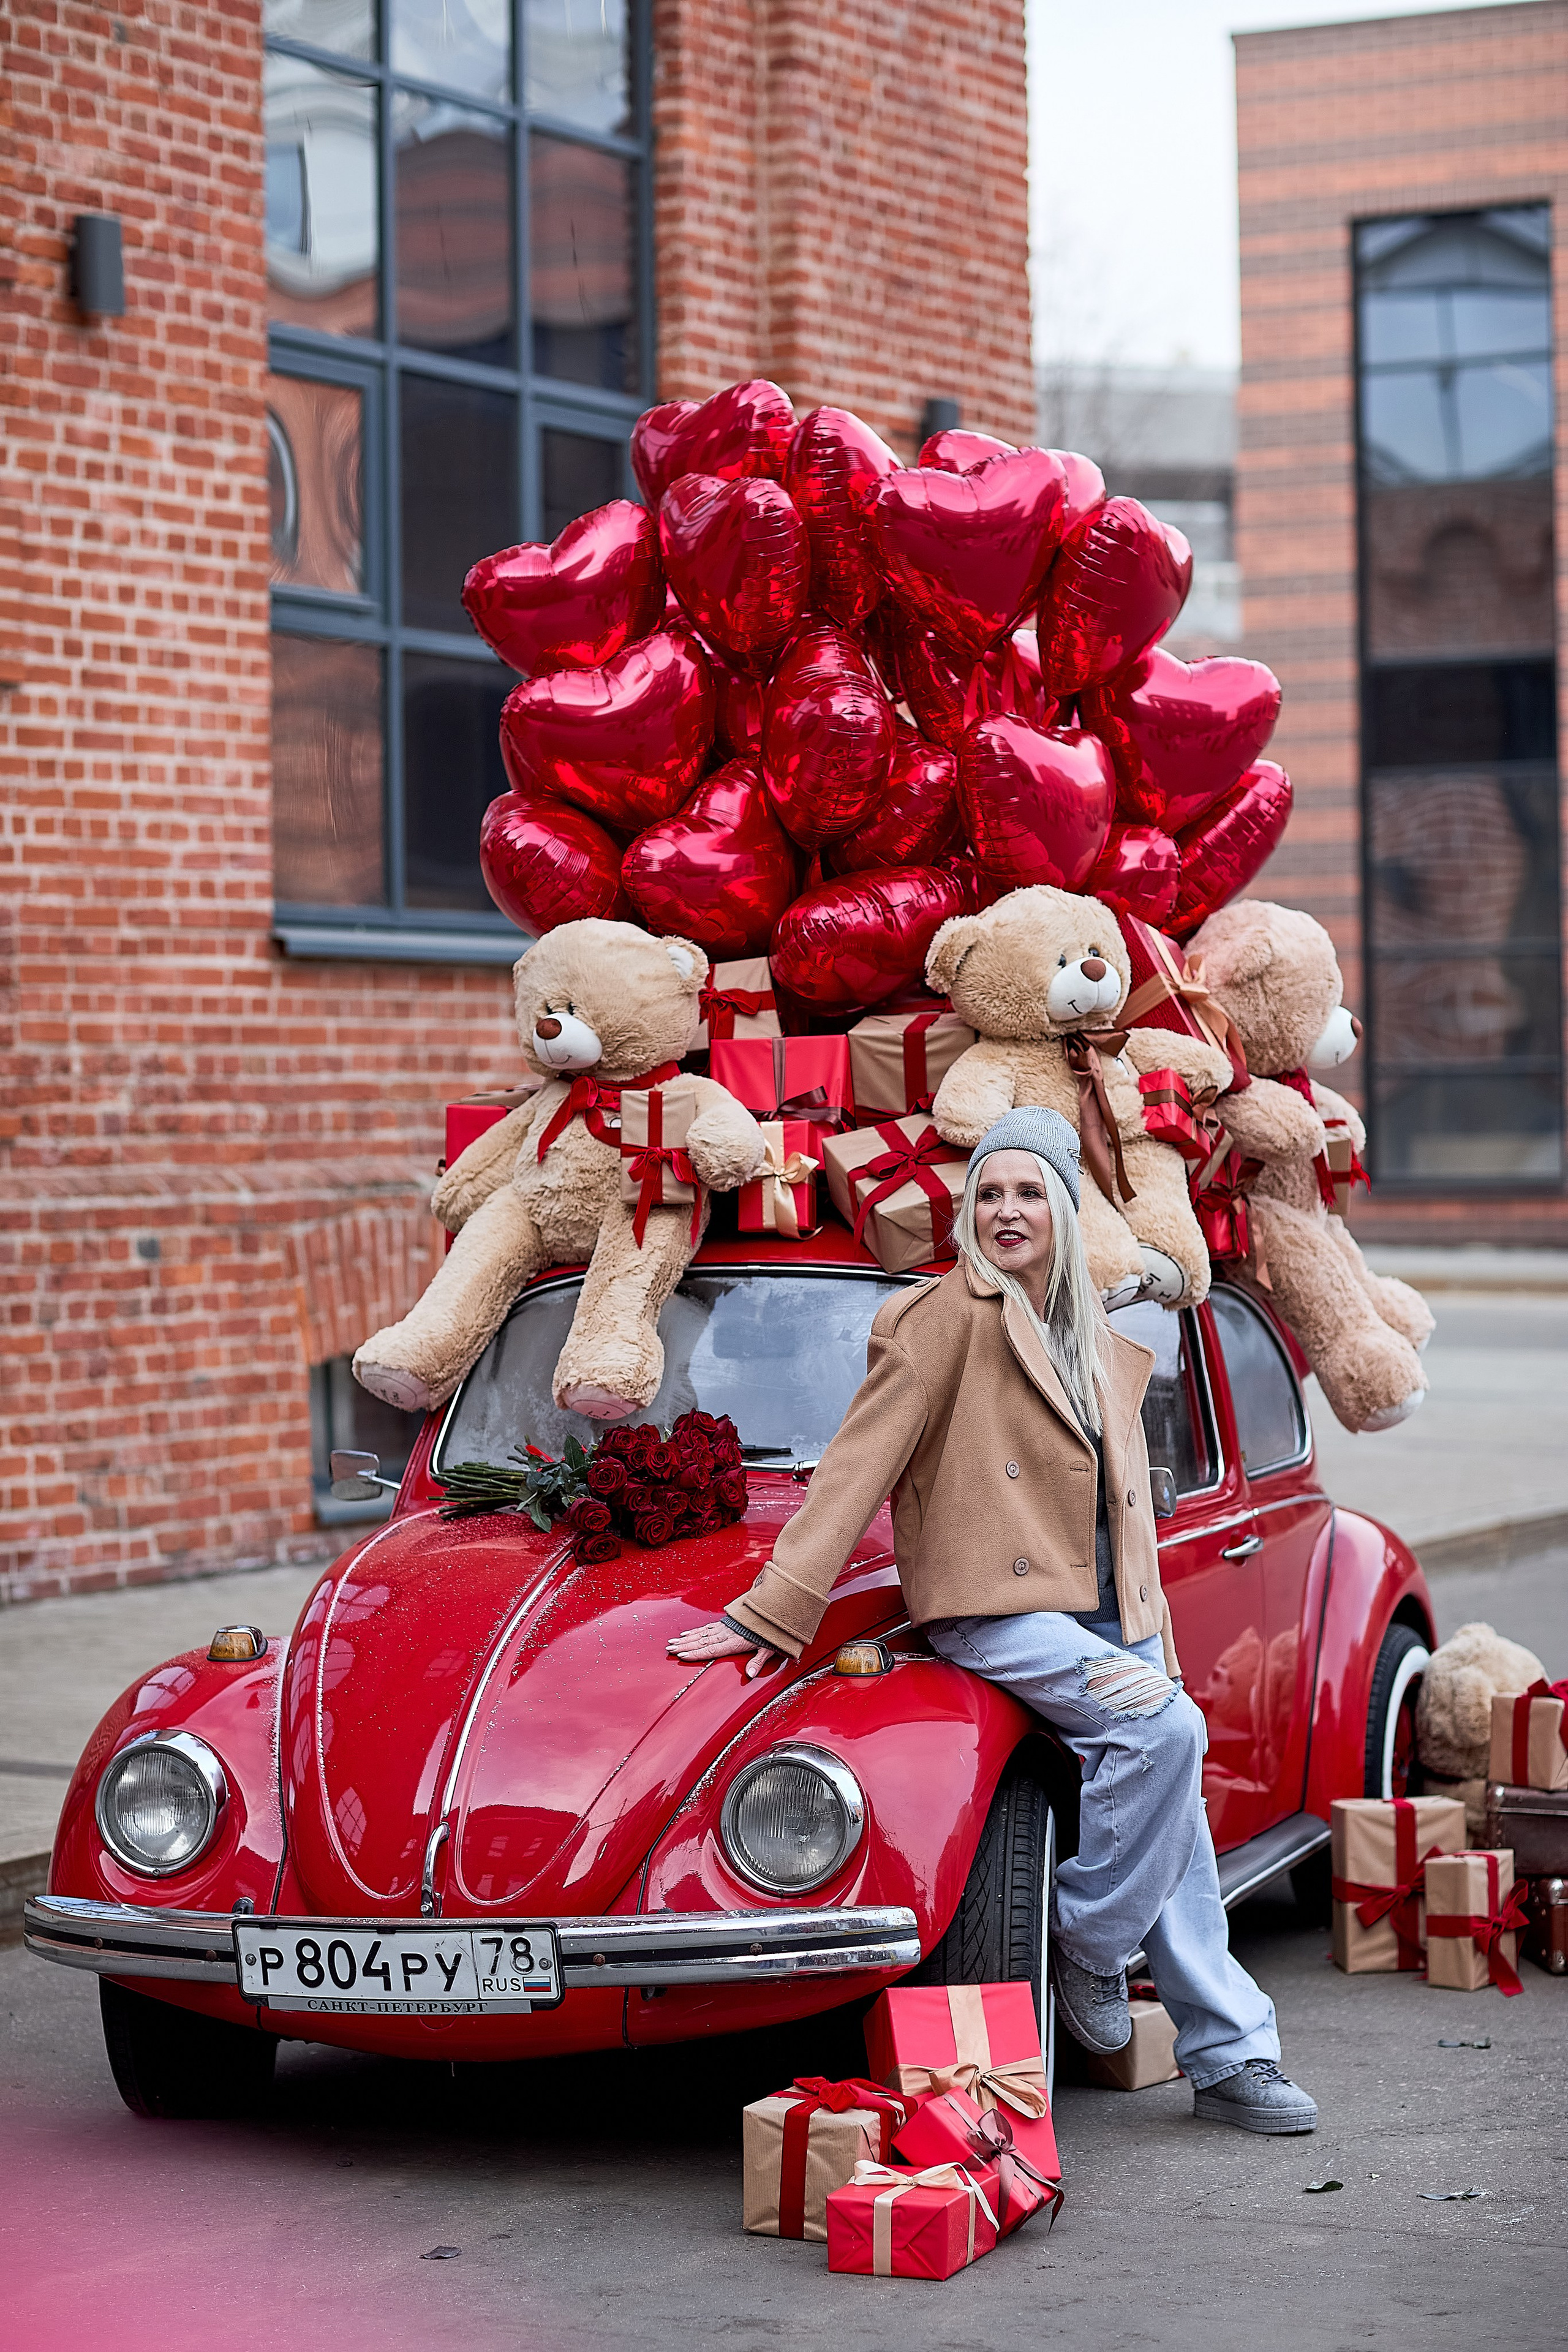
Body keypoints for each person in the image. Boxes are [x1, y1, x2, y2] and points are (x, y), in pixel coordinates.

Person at [668, 1106, 1317, 2135]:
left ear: (1063, 1207)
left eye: (1028, 1192)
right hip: (1004, 1607)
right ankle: (1090, 1949)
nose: (1007, 1210)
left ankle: (1234, 2055)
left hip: (1115, 1608)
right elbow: (853, 1470)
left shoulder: (1092, 1333)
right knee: (1165, 1731)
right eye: (989, 1193)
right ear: (968, 1211)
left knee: (1177, 1818)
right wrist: (771, 1612)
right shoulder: (940, 1319)